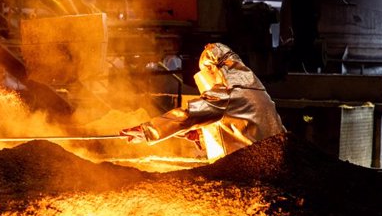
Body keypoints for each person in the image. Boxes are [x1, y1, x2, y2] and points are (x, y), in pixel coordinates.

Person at [120, 43, 286, 160]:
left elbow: (189, 115)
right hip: (273, 164)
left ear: (214, 69)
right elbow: (240, 126)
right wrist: (201, 135)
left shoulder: (228, 93)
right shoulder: (255, 90)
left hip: (248, 172)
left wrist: (148, 131)